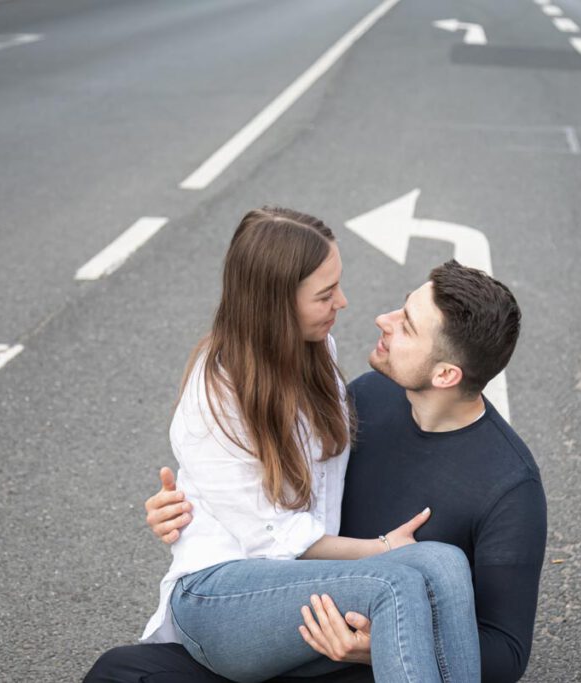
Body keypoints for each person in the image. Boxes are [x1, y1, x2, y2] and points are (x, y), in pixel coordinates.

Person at [85, 259, 547, 683]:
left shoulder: (509, 485)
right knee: (119, 673)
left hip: (367, 662)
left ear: (445, 375)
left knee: (424, 574)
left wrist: (374, 646)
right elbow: (266, 485)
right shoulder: (366, 399)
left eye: (405, 326)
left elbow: (505, 652)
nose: (382, 320)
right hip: (286, 622)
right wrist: (190, 503)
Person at [130, 207, 482, 683]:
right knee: (395, 582)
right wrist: (379, 549)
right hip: (217, 597)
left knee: (445, 562)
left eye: (337, 284)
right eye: (324, 294)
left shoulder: (316, 348)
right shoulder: (215, 395)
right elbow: (277, 541)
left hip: (292, 581)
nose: (343, 301)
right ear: (275, 304)